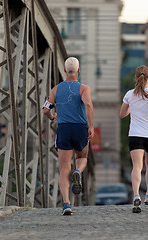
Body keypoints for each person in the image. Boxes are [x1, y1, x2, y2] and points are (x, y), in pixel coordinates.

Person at [42, 57, 94, 215]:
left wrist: (53, 117)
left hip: (63, 129)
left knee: (64, 169)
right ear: (79, 70)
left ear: (65, 70)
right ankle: (78, 171)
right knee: (82, 157)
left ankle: (66, 204)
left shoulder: (56, 89)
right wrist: (91, 126)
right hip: (80, 129)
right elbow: (88, 105)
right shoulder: (84, 88)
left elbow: (45, 110)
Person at [119, 65, 148, 213]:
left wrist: (132, 108)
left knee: (137, 166)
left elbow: (122, 114)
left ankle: (136, 195)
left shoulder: (129, 94)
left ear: (136, 78)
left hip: (135, 134)